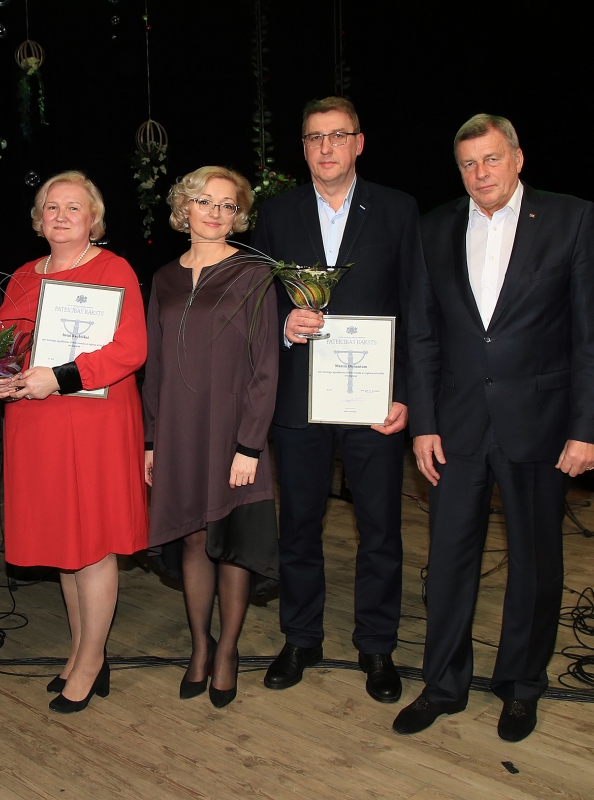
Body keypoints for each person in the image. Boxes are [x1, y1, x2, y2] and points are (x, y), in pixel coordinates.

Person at [396, 114, 594, 741]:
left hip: (542, 425)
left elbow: (593, 334)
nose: (480, 173)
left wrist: (588, 428)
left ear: (518, 158)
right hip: (456, 427)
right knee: (448, 562)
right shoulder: (433, 228)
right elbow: (421, 334)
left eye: (491, 159)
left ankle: (520, 687)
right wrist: (423, 423)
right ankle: (443, 685)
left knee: (535, 564)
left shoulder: (571, 218)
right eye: (468, 163)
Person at [251, 97, 424, 703]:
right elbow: (260, 299)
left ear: (358, 143)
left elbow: (417, 305)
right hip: (300, 396)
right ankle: (301, 638)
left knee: (380, 528)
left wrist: (406, 394)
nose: (326, 147)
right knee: (299, 524)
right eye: (314, 137)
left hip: (375, 400)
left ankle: (376, 645)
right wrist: (284, 324)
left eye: (338, 135)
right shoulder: (277, 214)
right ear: (303, 148)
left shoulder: (398, 209)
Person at [0, 171, 148, 713]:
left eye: (73, 207)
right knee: (65, 539)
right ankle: (81, 650)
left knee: (93, 540)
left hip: (93, 423)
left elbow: (131, 349)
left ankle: (92, 660)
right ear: (38, 219)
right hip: (37, 425)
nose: (60, 215)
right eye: (51, 207)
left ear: (93, 219)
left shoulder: (114, 269)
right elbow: (4, 344)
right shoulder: (23, 276)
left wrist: (61, 377)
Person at [141, 166, 279, 709]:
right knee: (194, 538)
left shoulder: (254, 273)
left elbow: (266, 367)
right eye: (205, 201)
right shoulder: (163, 278)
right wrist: (152, 440)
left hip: (232, 431)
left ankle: (228, 653)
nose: (216, 212)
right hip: (178, 431)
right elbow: (153, 368)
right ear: (185, 208)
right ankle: (200, 646)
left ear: (238, 215)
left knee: (232, 541)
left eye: (228, 205)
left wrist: (250, 445)